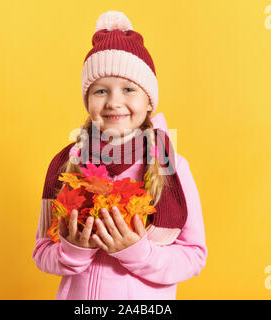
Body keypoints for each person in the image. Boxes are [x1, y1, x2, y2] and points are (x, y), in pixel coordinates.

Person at [32, 11, 208, 300]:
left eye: (129, 89)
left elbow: (194, 256)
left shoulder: (171, 166)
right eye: (101, 90)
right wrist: (74, 251)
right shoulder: (67, 164)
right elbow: (42, 253)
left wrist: (137, 252)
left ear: (148, 100)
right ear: (87, 100)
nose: (114, 102)